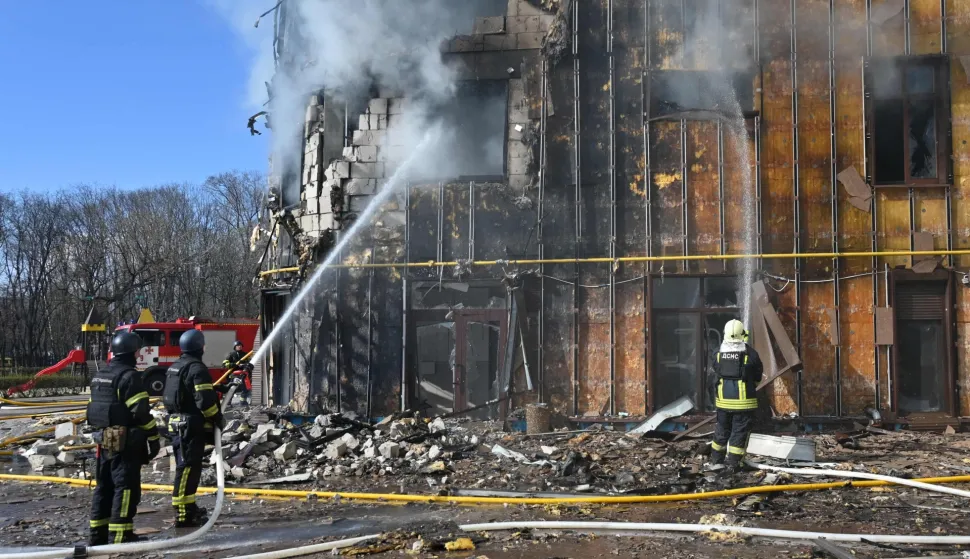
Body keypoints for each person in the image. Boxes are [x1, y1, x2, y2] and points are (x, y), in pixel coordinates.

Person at [87, 332, 161, 545]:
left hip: (103, 439)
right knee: (126, 487)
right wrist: (153, 437)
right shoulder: (130, 377)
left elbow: (94, 410)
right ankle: (121, 535)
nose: (139, 354)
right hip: (125, 441)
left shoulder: (101, 376)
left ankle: (97, 535)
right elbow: (141, 412)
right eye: (138, 350)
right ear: (133, 352)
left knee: (104, 487)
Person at [163, 329, 225, 528]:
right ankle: (183, 513)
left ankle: (189, 507)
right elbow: (204, 401)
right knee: (187, 468)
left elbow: (187, 392)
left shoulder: (176, 367)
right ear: (200, 347)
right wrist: (217, 418)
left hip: (177, 423)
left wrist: (218, 389)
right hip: (189, 426)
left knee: (189, 468)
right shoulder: (197, 368)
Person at [707, 319, 763, 472]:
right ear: (742, 334)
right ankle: (733, 464)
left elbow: (716, 369)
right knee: (739, 432)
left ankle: (717, 461)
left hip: (723, 402)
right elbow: (758, 375)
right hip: (743, 403)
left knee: (721, 430)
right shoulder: (750, 354)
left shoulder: (718, 354)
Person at [222, 340, 252, 406]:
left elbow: (250, 363)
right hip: (234, 375)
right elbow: (224, 364)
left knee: (245, 389)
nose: (240, 347)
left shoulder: (245, 355)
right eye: (238, 346)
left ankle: (242, 402)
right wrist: (234, 365)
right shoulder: (231, 355)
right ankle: (228, 402)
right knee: (232, 389)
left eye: (241, 346)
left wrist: (245, 365)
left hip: (243, 375)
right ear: (235, 347)